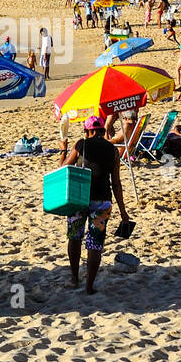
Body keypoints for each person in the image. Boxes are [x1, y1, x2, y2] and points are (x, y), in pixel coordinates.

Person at [60, 116, 129, 295]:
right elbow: (116, 183)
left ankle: (75, 279)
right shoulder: (113, 151)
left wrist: (63, 150)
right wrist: (123, 212)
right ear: (102, 131)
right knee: (95, 243)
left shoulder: (81, 145)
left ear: (88, 131)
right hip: (102, 202)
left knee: (75, 237)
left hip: (79, 199)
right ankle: (89, 287)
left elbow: (62, 168)